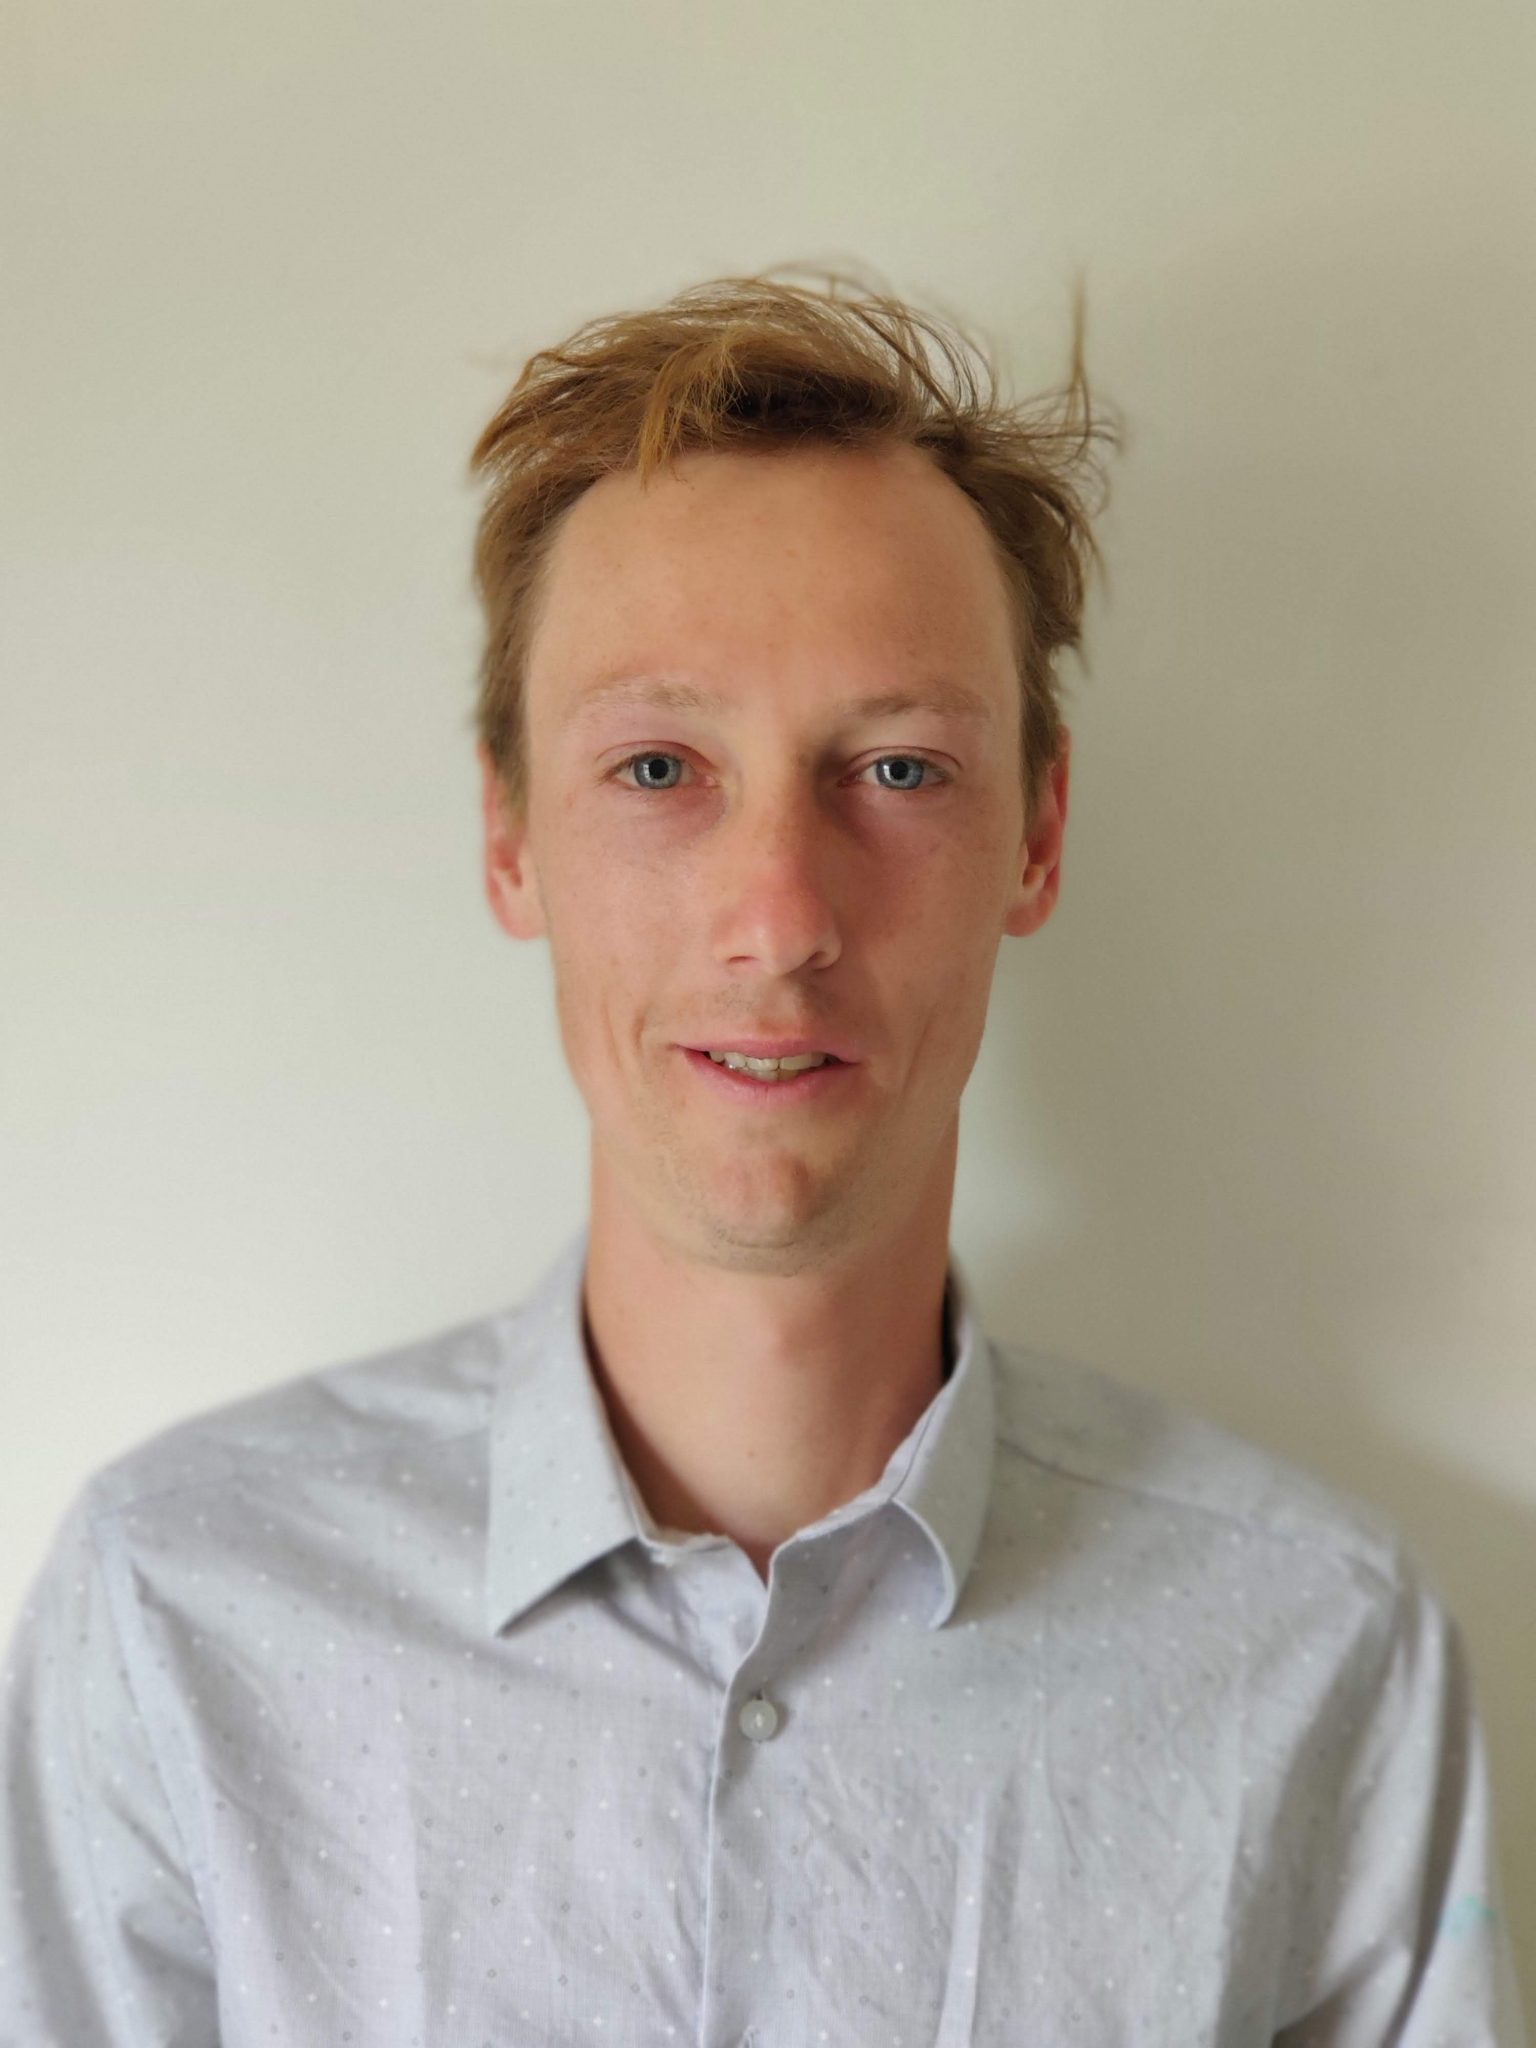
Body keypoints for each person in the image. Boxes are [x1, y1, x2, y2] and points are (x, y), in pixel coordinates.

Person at [1, 271, 1525, 2046]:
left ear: (1038, 834)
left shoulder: (1318, 1652)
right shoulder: (177, 1616)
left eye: (898, 770)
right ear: (509, 835)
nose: (781, 916)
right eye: (659, 767)